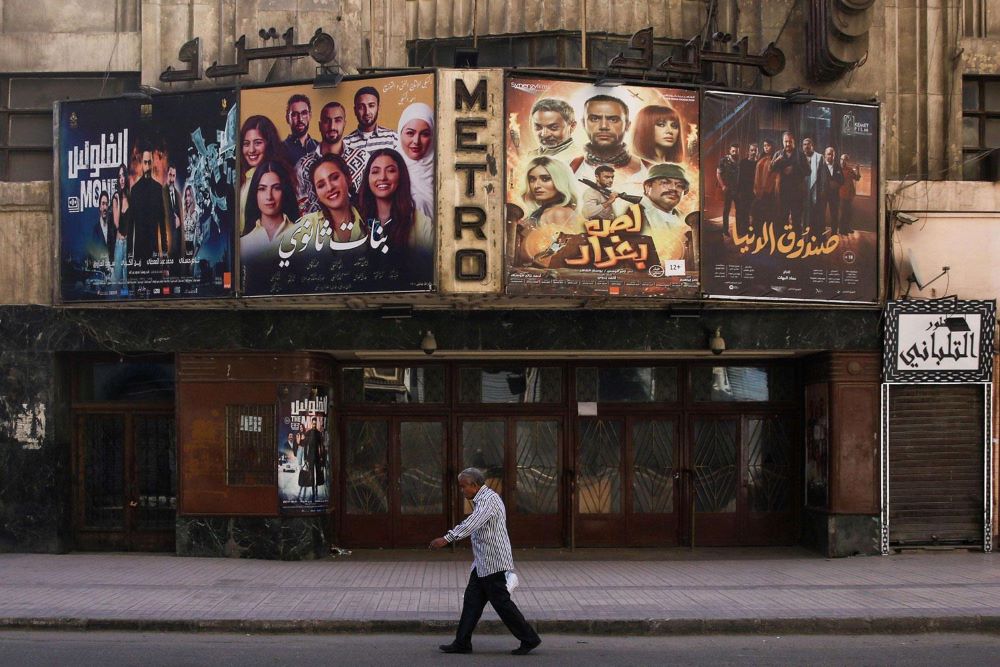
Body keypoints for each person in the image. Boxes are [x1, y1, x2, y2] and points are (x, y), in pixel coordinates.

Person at [430, 468, 542, 656]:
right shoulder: (482, 499)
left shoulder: (488, 501)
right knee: (472, 602)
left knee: (502, 605)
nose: (462, 490)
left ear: (474, 485)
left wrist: (447, 538)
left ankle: (529, 638)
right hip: (483, 563)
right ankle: (462, 642)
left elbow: (473, 522)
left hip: (494, 564)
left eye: (463, 486)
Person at [358, 148, 433, 277]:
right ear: (367, 178)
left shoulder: (421, 223)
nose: (382, 177)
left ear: (401, 176)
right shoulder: (354, 219)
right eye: (375, 172)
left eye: (391, 170)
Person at [296, 101, 370, 214]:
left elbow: (371, 200)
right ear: (320, 125)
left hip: (355, 229)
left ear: (344, 123)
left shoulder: (363, 158)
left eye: (338, 120)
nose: (332, 126)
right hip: (317, 229)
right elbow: (300, 206)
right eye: (327, 121)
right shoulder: (303, 165)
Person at [514, 156, 579, 266]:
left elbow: (562, 253)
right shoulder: (543, 211)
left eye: (545, 179)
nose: (536, 185)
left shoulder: (559, 212)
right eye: (532, 179)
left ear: (560, 181)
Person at [570, 94, 643, 180]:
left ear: (627, 125)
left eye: (613, 119)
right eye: (594, 119)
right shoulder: (570, 167)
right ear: (584, 124)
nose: (604, 126)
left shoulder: (646, 168)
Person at [241, 160, 300, 264]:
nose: (269, 196)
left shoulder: (301, 236)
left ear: (285, 191)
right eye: (262, 189)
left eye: (276, 188)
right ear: (255, 193)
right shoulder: (243, 244)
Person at [638, 162, 694, 264]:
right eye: (665, 183)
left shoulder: (688, 220)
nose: (673, 188)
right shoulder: (632, 215)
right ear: (647, 187)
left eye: (680, 185)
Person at [397, 102, 436, 222]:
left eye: (424, 134)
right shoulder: (389, 169)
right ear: (400, 133)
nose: (416, 141)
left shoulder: (446, 169)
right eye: (410, 133)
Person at [240, 115, 285, 214]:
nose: (251, 150)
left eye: (258, 143)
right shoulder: (244, 177)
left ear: (269, 144)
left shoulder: (276, 176)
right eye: (246, 144)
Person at [129, 149, 168, 261]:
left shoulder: (157, 189)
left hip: (153, 251)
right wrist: (129, 255)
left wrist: (165, 257)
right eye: (145, 162)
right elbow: (131, 225)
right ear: (142, 164)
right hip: (138, 253)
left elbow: (162, 224)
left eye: (149, 162)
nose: (147, 165)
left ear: (152, 163)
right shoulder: (135, 190)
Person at [770, 131, 809, 234]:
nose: (787, 144)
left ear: (794, 142)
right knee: (782, 219)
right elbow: (770, 170)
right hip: (782, 193)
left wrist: (794, 169)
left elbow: (808, 171)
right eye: (785, 141)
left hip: (797, 193)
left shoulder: (800, 155)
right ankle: (783, 242)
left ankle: (797, 243)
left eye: (790, 142)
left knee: (796, 220)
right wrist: (776, 161)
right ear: (783, 142)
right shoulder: (778, 154)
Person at [343, 86, 398, 154]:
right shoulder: (346, 143)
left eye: (371, 106)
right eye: (361, 107)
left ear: (378, 108)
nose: (367, 112)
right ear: (355, 111)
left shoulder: (393, 137)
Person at [282, 94, 319, 165]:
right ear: (287, 118)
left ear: (310, 116)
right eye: (294, 114)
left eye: (304, 113)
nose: (300, 119)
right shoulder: (279, 150)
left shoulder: (319, 148)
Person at [816, 146, 844, 234]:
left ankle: (834, 233)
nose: (830, 156)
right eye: (828, 154)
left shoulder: (837, 166)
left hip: (834, 195)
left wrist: (837, 184)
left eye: (832, 155)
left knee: (834, 215)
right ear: (825, 155)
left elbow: (842, 180)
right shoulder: (820, 166)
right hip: (823, 194)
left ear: (834, 156)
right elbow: (817, 180)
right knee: (821, 215)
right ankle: (821, 233)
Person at [753, 139, 778, 230]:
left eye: (768, 145)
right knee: (759, 214)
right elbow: (757, 176)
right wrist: (756, 189)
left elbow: (776, 177)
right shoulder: (762, 159)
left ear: (773, 146)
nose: (766, 147)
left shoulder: (776, 159)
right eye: (764, 145)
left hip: (770, 192)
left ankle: (768, 236)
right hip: (760, 191)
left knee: (769, 216)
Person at [163, 165, 184, 274]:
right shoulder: (161, 193)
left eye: (174, 176)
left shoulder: (178, 195)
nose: (171, 179)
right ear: (167, 175)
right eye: (170, 175)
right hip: (166, 244)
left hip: (177, 244)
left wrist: (179, 222)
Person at [715, 143, 739, 239]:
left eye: (736, 151)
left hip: (737, 189)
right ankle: (725, 230)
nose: (735, 152)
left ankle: (739, 229)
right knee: (726, 210)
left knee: (739, 210)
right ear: (730, 150)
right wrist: (723, 186)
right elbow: (718, 174)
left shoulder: (738, 161)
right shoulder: (724, 160)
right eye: (733, 151)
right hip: (728, 189)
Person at [735, 143, 758, 238]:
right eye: (751, 150)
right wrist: (738, 191)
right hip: (743, 191)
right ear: (748, 151)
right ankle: (741, 231)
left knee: (753, 212)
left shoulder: (758, 163)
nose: (753, 152)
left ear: (757, 152)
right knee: (742, 211)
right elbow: (739, 177)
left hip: (754, 191)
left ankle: (750, 231)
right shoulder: (743, 162)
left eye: (755, 150)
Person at [801, 137, 822, 233]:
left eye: (808, 144)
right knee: (802, 213)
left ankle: (812, 235)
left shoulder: (819, 157)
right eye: (804, 145)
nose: (806, 146)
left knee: (813, 214)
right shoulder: (799, 157)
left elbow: (822, 177)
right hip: (802, 189)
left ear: (812, 146)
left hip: (814, 189)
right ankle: (802, 235)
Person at [838, 153, 862, 235]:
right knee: (843, 212)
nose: (843, 161)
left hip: (849, 195)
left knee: (849, 212)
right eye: (841, 159)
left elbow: (857, 178)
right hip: (841, 195)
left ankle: (847, 227)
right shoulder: (837, 169)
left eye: (845, 160)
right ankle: (842, 230)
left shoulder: (850, 169)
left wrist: (858, 169)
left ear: (847, 161)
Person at [90, 190, 115, 266]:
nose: (105, 207)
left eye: (106, 204)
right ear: (100, 207)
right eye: (103, 204)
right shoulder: (95, 230)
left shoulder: (112, 228)